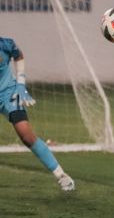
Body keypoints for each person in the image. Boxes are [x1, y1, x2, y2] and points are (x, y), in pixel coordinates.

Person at [0, 37, 75, 191]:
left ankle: (62, 176)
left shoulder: (5, 44)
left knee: (26, 134)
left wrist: (21, 85)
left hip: (9, 93)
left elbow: (18, 55)